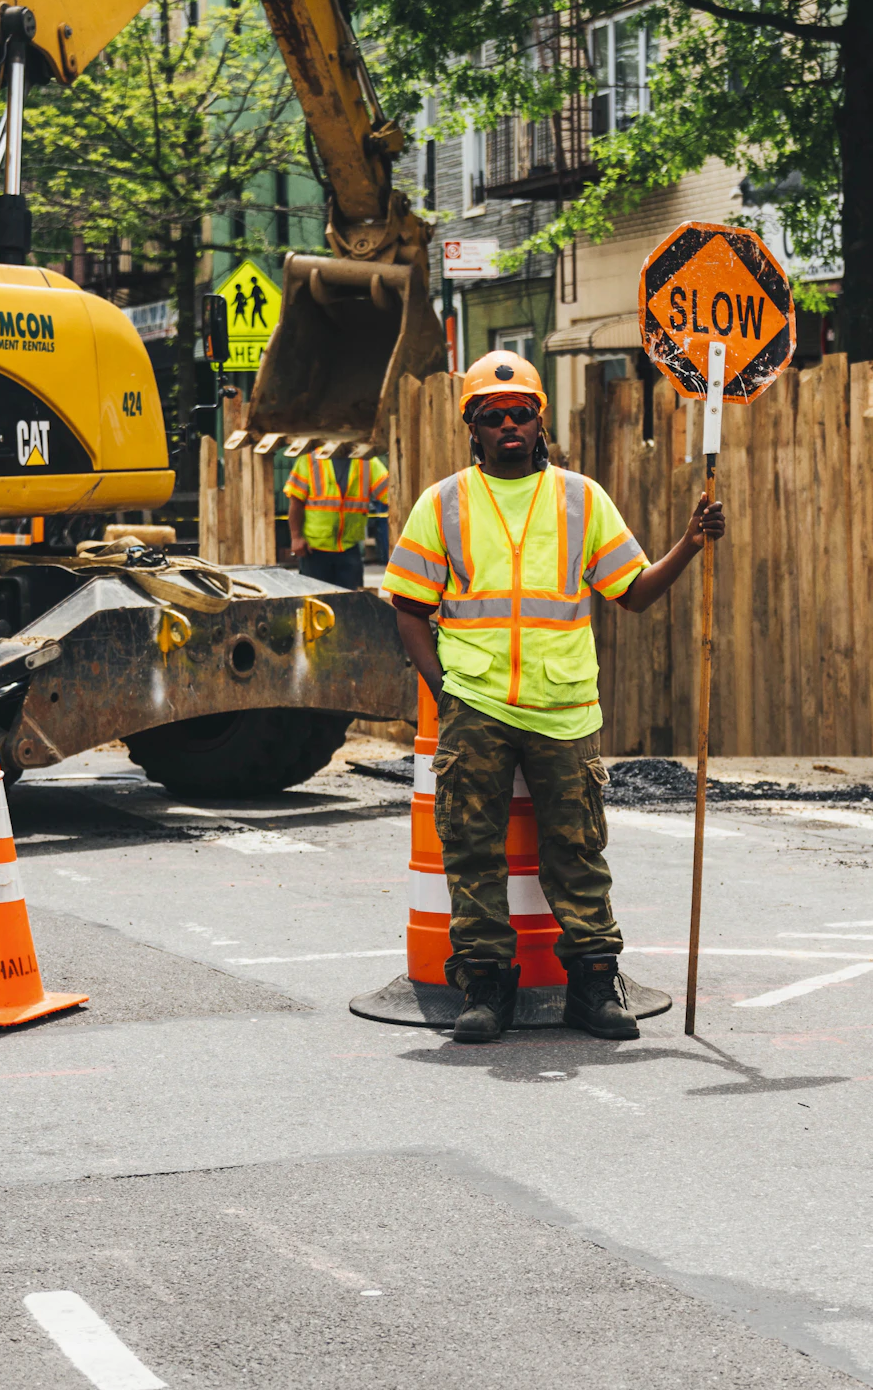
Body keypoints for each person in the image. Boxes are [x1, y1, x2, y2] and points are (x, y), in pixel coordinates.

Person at [384, 349, 724, 1046]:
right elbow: (408, 606)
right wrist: (443, 688)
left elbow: (630, 591)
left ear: (540, 422)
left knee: (577, 850)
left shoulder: (581, 497)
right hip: (475, 705)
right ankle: (484, 987)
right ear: (472, 427)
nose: (508, 424)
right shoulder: (442, 503)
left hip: (564, 708)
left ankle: (593, 985)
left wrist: (688, 546)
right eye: (492, 415)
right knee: (471, 850)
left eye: (521, 413)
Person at [284, 445, 388, 592]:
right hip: (314, 549)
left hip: (349, 547)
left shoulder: (367, 460)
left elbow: (390, 491)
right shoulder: (310, 459)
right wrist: (296, 537)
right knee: (315, 603)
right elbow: (296, 500)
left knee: (351, 602)